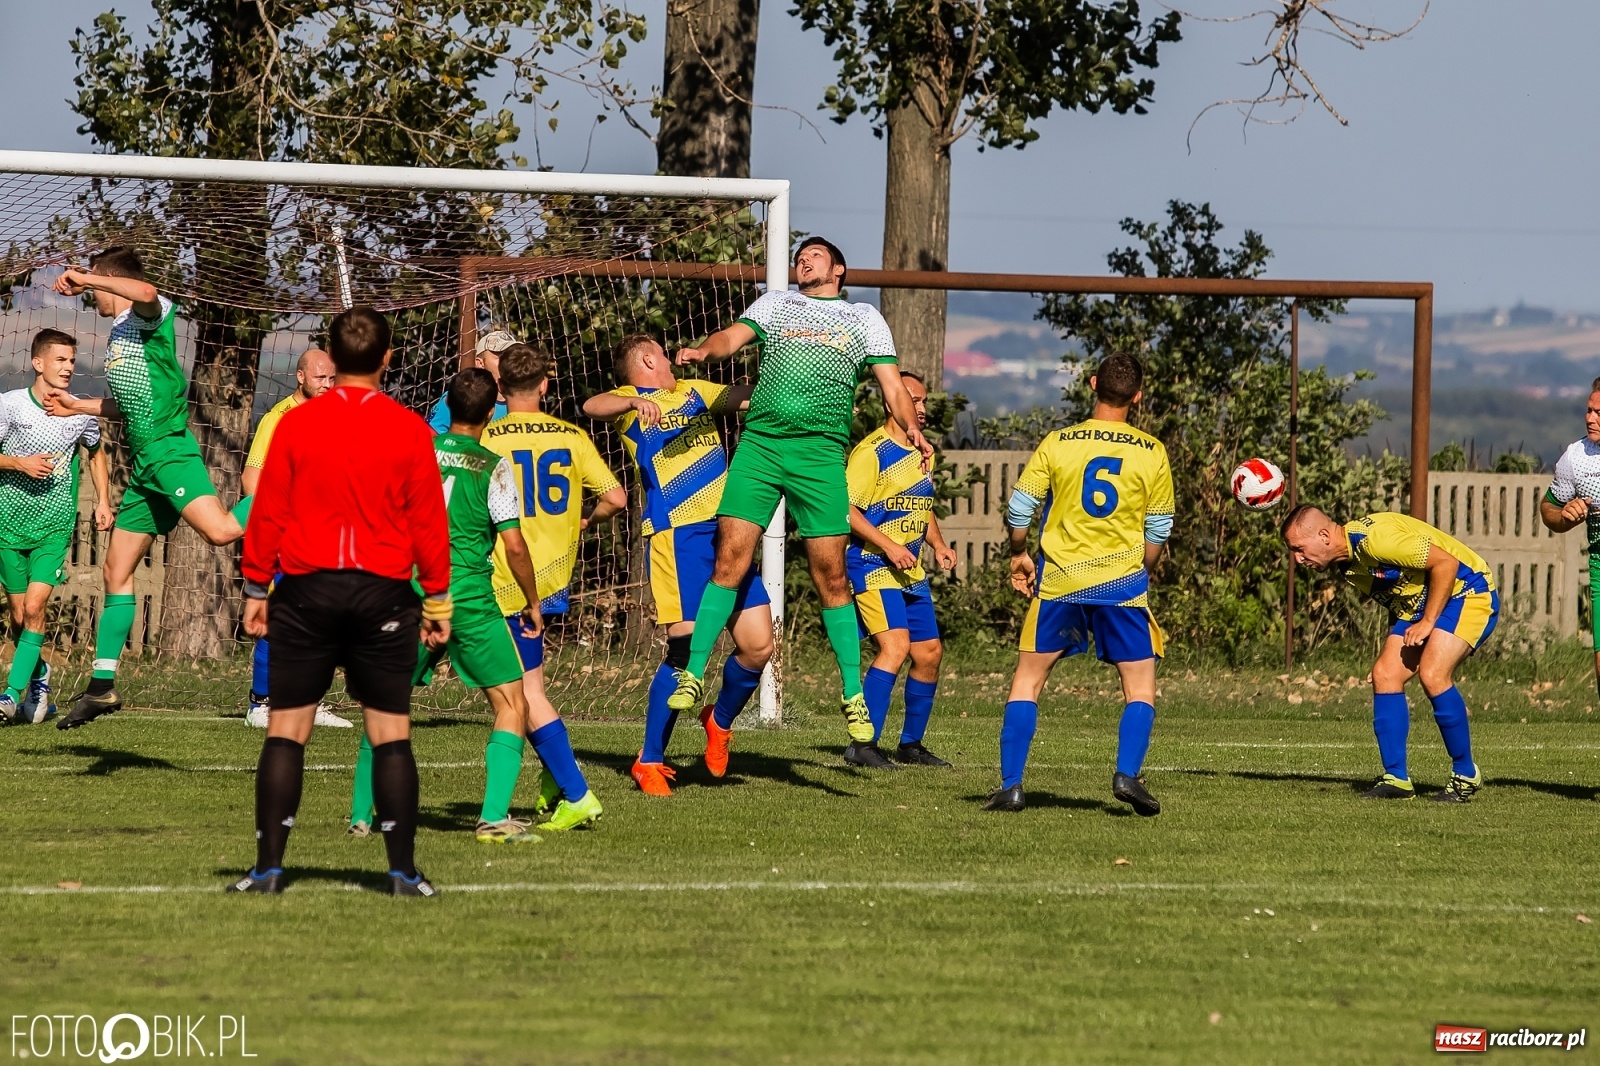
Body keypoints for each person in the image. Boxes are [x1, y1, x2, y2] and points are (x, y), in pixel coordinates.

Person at [669, 236, 933, 746]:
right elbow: (731, 337)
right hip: (762, 447)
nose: (802, 260)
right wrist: (704, 350)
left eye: (814, 255)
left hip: (819, 456)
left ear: (837, 268)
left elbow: (893, 386)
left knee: (831, 577)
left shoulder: (863, 318)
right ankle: (693, 672)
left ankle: (853, 694)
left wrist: (912, 427)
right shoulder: (777, 303)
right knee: (730, 561)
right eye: (799, 256)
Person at [228, 306, 451, 896]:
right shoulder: (409, 428)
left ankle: (268, 871)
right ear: (386, 358)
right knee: (390, 734)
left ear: (332, 355)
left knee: (286, 731)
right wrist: (438, 601)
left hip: (305, 590)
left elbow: (268, 512)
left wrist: (256, 587)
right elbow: (430, 524)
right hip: (383, 594)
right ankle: (402, 873)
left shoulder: (296, 424)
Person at [46, 246, 244, 729]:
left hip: (168, 453)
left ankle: (289, 490)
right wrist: (78, 407)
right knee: (116, 569)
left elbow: (150, 291)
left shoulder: (148, 316)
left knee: (220, 532)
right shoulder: (119, 335)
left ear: (111, 280)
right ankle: (102, 686)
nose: (92, 295)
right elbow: (131, 404)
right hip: (145, 465)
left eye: (99, 284)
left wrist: (89, 279)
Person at [349, 368, 549, 842]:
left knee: (386, 703)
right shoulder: (494, 466)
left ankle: (361, 816)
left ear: (451, 407)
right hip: (468, 599)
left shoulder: (412, 455)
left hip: (409, 594)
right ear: (489, 413)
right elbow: (514, 547)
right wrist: (532, 600)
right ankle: (493, 817)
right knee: (511, 702)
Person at [581, 333, 773, 794]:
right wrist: (634, 405)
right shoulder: (630, 399)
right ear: (647, 358)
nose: (668, 358)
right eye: (662, 353)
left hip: (728, 534)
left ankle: (719, 722)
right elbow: (593, 405)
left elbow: (743, 399)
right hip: (677, 537)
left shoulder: (694, 390)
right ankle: (649, 759)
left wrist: (780, 381)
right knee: (685, 650)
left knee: (758, 646)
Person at [988, 354, 1173, 816]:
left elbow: (1019, 511)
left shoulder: (1058, 442)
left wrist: (1018, 552)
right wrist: (1142, 567)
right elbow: (1159, 528)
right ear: (1138, 395)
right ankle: (1127, 774)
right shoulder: (1151, 451)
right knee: (1140, 688)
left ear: (1092, 384)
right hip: (1122, 586)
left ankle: (1012, 785)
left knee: (1028, 683)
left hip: (1061, 582)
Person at [479, 343, 626, 830]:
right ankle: (556, 780)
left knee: (522, 695)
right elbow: (616, 497)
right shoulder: (571, 435)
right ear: (545, 384)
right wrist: (587, 518)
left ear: (500, 388)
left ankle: (578, 793)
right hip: (552, 577)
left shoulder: (487, 436)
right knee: (522, 690)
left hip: (503, 578)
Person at [1282, 504, 1497, 803]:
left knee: (1433, 673)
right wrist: (1394, 646)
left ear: (1323, 535)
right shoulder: (1349, 567)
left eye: (1299, 548)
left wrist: (1429, 623)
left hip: (1467, 590)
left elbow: (1445, 564)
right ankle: (1396, 779)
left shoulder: (1375, 539)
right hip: (1422, 606)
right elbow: (1401, 597)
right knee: (1385, 674)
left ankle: (1465, 773)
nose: (1298, 559)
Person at [844, 371, 958, 769]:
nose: (922, 409)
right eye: (914, 400)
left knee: (929, 652)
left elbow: (920, 507)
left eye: (925, 401)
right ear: (891, 403)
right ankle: (862, 744)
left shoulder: (921, 451)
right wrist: (889, 546)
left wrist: (939, 544)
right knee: (895, 648)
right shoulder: (871, 452)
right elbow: (847, 511)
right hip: (871, 563)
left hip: (909, 572)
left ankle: (910, 745)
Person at [0, 330, 112, 725]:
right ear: (38, 363)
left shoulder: (79, 411)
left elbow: (96, 453)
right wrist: (20, 463)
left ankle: (10, 696)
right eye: (61, 360)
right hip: (7, 525)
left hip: (53, 525)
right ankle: (39, 675)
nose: (68, 367)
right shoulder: (10, 406)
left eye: (71, 360)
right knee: (18, 617)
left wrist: (102, 499)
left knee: (34, 607)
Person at [239, 347, 347, 729]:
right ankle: (261, 702)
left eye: (332, 378)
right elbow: (251, 482)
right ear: (300, 376)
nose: (327, 385)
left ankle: (307, 700)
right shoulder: (278, 418)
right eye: (320, 377)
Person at [1539, 377, 1600, 702]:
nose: (1591, 418)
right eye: (1589, 411)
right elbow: (1548, 507)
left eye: (1599, 412)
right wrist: (1564, 516)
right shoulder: (1575, 458)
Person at [427, 330, 517, 434]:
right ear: (480, 363)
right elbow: (429, 439)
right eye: (500, 357)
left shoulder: (523, 402)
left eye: (512, 356)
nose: (508, 361)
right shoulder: (458, 398)